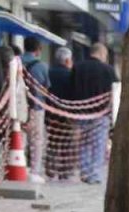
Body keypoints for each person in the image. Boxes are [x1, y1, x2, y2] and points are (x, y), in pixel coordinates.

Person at [69, 43, 117, 184]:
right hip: (100, 113)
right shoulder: (108, 70)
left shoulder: (78, 68)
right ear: (102, 54)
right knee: (98, 145)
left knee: (83, 143)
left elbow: (71, 89)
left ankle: (85, 172)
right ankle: (94, 174)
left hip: (81, 112)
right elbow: (114, 93)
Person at [21, 37, 50, 183]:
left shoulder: (16, 61)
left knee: (20, 138)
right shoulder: (42, 66)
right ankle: (34, 172)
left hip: (18, 106)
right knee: (37, 140)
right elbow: (46, 88)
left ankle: (19, 167)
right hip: (36, 107)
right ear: (38, 50)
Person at [47, 47, 75, 180]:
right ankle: (65, 170)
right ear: (68, 60)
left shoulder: (49, 72)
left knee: (53, 140)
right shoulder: (71, 74)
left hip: (51, 112)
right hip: (67, 113)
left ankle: (50, 169)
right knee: (66, 141)